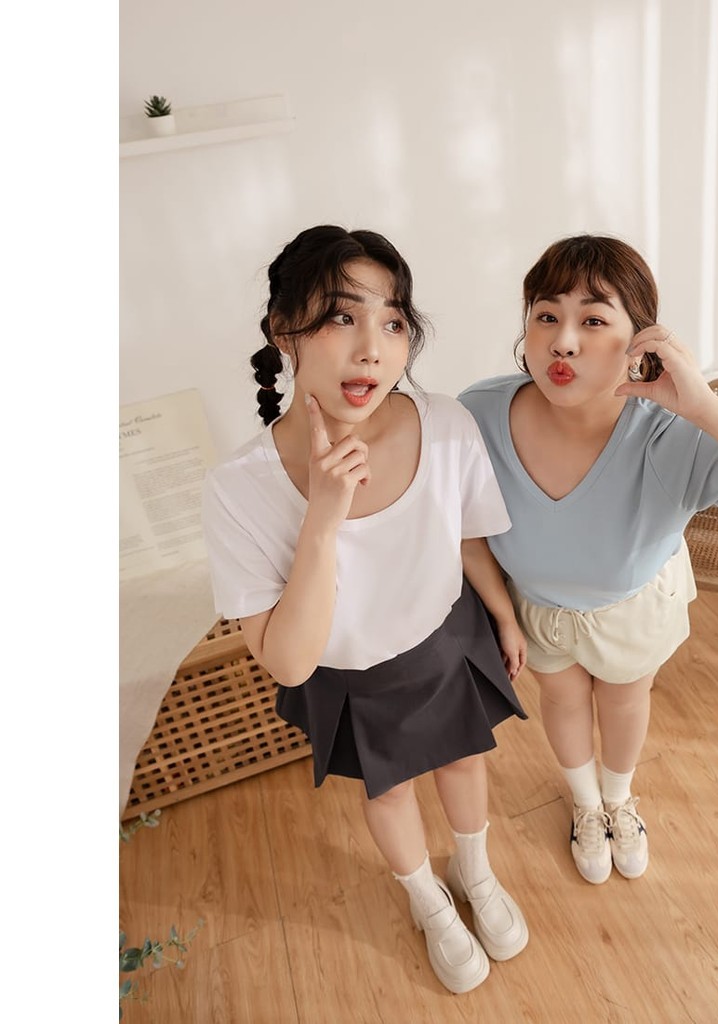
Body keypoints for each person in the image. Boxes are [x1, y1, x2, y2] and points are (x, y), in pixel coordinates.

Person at [458, 234, 718, 886]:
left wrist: (708, 408)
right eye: (546, 315)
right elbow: (467, 526)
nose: (562, 341)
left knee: (625, 702)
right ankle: (585, 805)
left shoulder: (672, 435)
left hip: (634, 606)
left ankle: (618, 800)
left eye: (593, 320)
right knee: (561, 701)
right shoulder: (479, 414)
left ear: (640, 340)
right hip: (536, 607)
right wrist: (503, 615)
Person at [202, 225, 530, 994]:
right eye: (342, 317)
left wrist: (504, 616)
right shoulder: (238, 488)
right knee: (389, 790)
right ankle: (428, 901)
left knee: (465, 758)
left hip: (446, 638)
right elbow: (288, 663)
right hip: (350, 673)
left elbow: (466, 535)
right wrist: (324, 514)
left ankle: (475, 874)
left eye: (393, 322)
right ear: (284, 330)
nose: (372, 350)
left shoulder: (444, 424)